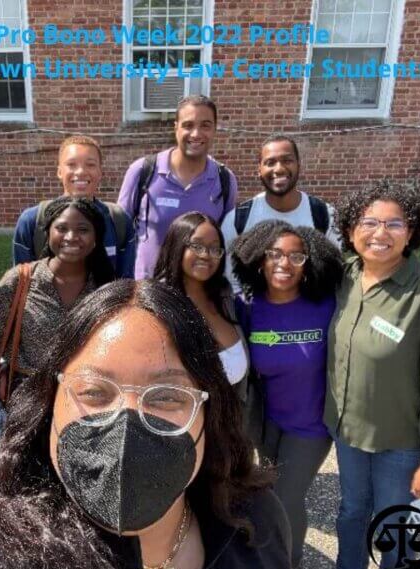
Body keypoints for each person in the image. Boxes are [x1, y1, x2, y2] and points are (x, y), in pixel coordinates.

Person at [0, 280, 298, 569]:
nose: (126, 426)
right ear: (49, 406)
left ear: (210, 412)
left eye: (167, 396)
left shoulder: (255, 520)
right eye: (95, 393)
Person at [313, 180, 420, 569]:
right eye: (369, 222)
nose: (380, 233)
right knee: (351, 514)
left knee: (396, 527)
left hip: (401, 441)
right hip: (348, 432)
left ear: (412, 232)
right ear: (350, 229)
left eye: (394, 223)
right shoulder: (343, 276)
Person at [231, 220, 342, 569]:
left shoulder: (326, 306)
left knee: (287, 498)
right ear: (259, 260)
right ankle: (269, 554)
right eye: (275, 254)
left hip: (311, 427)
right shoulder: (249, 308)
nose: (284, 263)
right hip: (269, 422)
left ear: (309, 263)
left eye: (297, 255)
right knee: (266, 493)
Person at [0, 198, 115, 406]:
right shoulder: (19, 280)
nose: (71, 237)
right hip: (23, 400)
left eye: (83, 229)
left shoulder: (105, 289)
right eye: (61, 228)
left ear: (96, 238)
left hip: (83, 402)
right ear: (48, 234)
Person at [118, 95, 238, 279]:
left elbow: (226, 242)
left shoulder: (224, 180)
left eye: (205, 125)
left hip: (198, 294)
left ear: (215, 129)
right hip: (147, 293)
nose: (196, 134)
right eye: (188, 125)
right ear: (176, 128)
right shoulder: (143, 171)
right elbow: (120, 233)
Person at [222, 134, 339, 291]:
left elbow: (335, 275)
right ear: (259, 169)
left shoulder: (324, 215)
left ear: (299, 165)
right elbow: (231, 280)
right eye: (270, 162)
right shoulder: (238, 219)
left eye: (287, 160)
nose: (279, 168)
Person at [153, 211, 248, 401]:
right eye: (197, 246)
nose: (206, 255)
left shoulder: (225, 296)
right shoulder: (157, 303)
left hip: (231, 421)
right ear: (177, 245)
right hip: (180, 423)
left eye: (215, 249)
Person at [12, 135, 135, 277]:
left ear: (100, 172)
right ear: (59, 172)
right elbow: (21, 284)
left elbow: (126, 284)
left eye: (90, 164)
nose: (81, 171)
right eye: (71, 164)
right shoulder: (32, 221)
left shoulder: (119, 220)